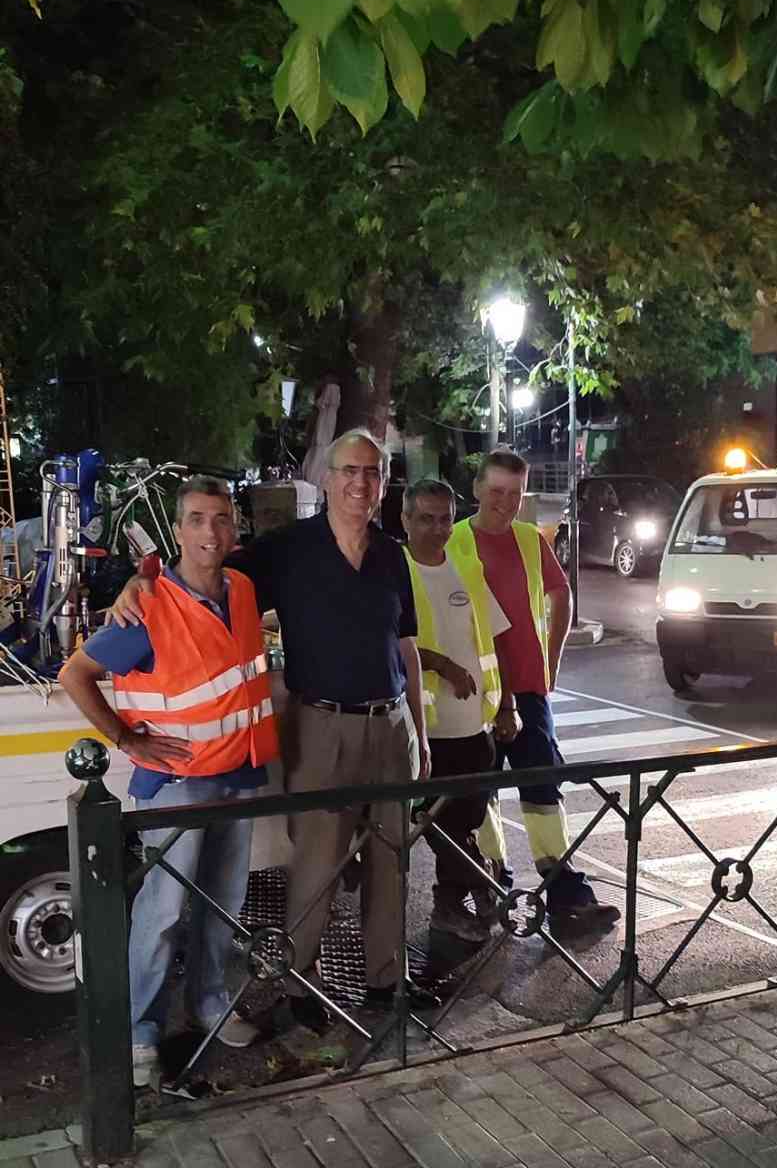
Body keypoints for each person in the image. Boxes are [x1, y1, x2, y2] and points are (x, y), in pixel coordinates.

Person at [109, 430, 437, 1030]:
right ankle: (301, 983)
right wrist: (144, 577)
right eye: (349, 471)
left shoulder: (392, 554)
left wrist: (420, 729)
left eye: (372, 472)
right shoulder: (289, 549)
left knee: (391, 861)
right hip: (321, 726)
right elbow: (202, 567)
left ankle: (387, 982)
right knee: (317, 863)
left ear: (384, 483)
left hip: (391, 727)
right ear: (328, 480)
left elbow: (406, 646)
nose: (360, 482)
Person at [59, 476, 278, 1086]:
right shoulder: (147, 606)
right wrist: (126, 740)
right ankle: (139, 1032)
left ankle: (210, 1005)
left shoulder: (241, 589)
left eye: (222, 518)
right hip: (177, 782)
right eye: (198, 519)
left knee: (222, 903)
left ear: (235, 527)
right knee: (161, 911)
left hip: (237, 772)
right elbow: (76, 673)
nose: (212, 531)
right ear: (179, 530)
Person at [447, 448, 621, 934]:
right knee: (478, 797)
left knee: (544, 790)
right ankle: (491, 884)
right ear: (477, 489)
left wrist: (554, 657)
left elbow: (560, 593)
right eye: (496, 491)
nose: (504, 502)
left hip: (527, 688)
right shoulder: (454, 541)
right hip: (476, 693)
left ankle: (566, 894)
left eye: (514, 493)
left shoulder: (529, 539)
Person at [401, 479, 521, 943]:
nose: (437, 529)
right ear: (405, 520)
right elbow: (386, 644)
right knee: (438, 822)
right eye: (425, 519)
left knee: (464, 820)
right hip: (425, 729)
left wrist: (507, 704)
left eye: (445, 519)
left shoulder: (468, 569)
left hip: (476, 725)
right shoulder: (395, 571)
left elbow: (497, 640)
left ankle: (456, 902)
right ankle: (480, 888)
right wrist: (441, 664)